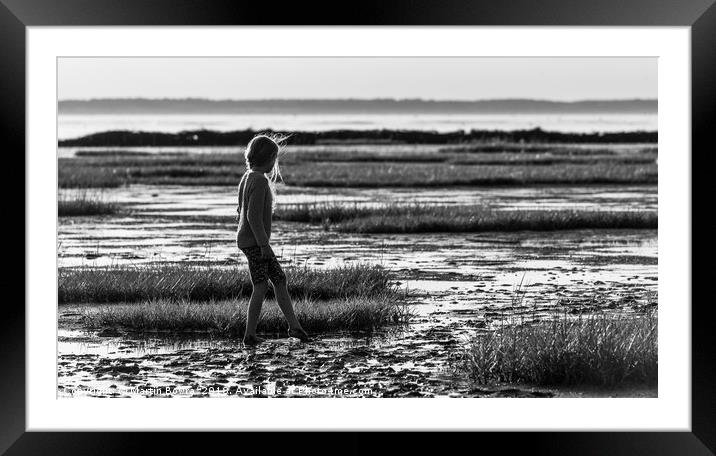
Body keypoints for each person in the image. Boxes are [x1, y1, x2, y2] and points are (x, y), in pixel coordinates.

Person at [236, 134, 310, 346]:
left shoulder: (247, 177)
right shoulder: (259, 180)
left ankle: (294, 327)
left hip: (248, 241)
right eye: (274, 159)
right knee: (261, 285)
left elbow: (239, 210)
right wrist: (263, 244)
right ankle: (250, 334)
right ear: (269, 159)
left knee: (278, 279)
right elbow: (251, 216)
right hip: (255, 243)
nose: (275, 164)